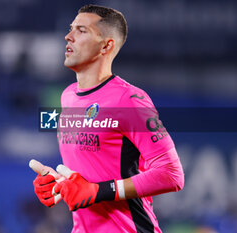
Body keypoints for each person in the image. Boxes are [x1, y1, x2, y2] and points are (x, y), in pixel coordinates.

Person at [33, 4, 184, 233]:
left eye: (81, 30)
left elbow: (171, 174)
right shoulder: (67, 97)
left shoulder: (129, 100)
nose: (68, 36)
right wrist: (59, 185)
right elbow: (88, 176)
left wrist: (99, 191)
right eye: (71, 28)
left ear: (106, 45)